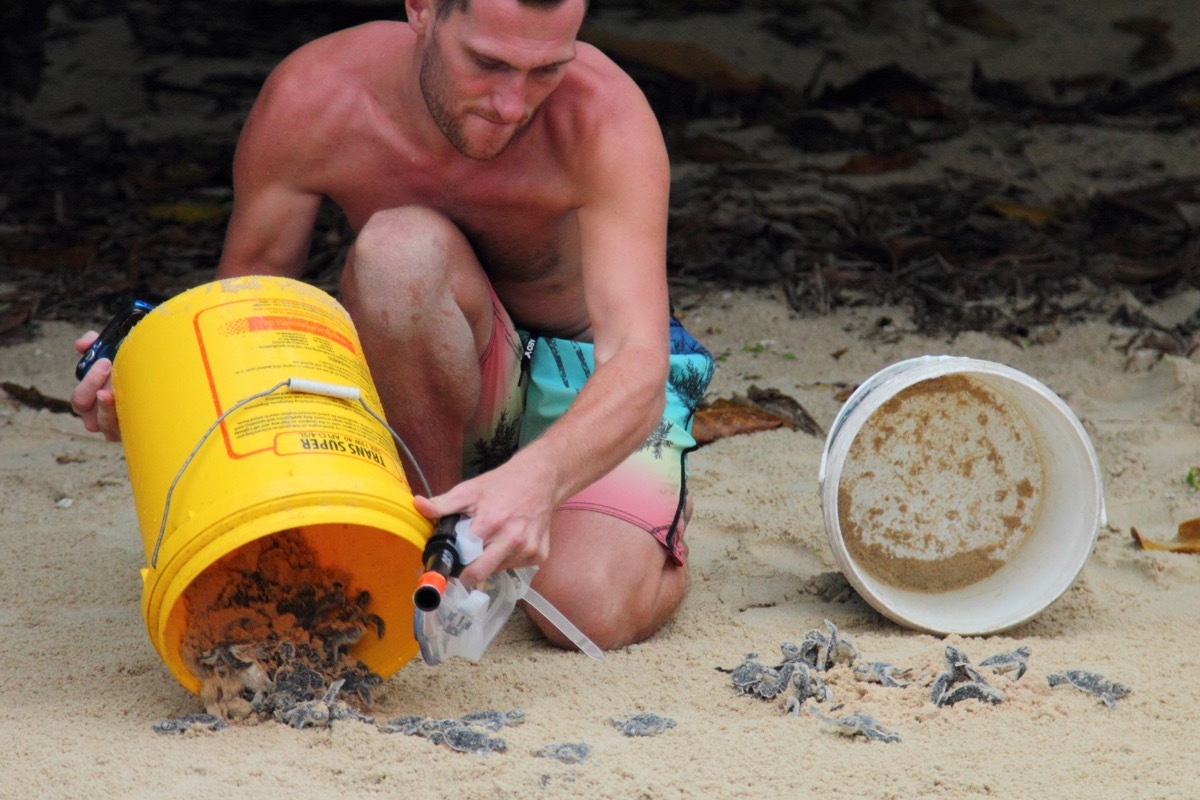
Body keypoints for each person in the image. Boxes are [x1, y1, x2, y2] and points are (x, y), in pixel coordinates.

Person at [71, 0, 713, 651]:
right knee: (397, 250)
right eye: (487, 64)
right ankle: (424, 545)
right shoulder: (316, 96)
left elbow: (637, 358)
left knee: (583, 613)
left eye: (546, 69)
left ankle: (649, 518)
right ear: (423, 8)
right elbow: (248, 320)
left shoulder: (604, 117)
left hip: (584, 374)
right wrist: (151, 396)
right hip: (432, 379)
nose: (513, 104)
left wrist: (545, 476)